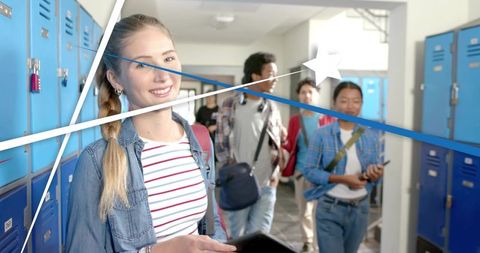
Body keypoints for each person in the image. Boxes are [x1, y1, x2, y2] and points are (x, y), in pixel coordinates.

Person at [65, 14, 235, 253]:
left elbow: (211, 222)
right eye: (143, 64)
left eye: (168, 58)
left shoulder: (198, 141)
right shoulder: (96, 162)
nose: (163, 75)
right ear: (116, 79)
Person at [303, 81, 384, 253]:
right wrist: (341, 179)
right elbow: (309, 171)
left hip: (360, 209)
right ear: (334, 103)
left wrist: (375, 174)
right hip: (330, 208)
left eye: (356, 101)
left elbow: (375, 174)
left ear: (361, 104)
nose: (350, 106)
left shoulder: (370, 135)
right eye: (344, 100)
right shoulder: (321, 135)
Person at [215, 52, 285, 238]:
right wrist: (231, 175)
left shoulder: (272, 106)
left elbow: (275, 142)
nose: (276, 79)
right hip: (239, 184)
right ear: (255, 75)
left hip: (266, 184)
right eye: (271, 74)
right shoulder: (231, 104)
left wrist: (275, 176)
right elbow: (221, 145)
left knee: (259, 239)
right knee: (237, 238)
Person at [282, 78, 335, 252]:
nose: (307, 96)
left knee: (320, 213)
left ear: (318, 95)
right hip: (301, 172)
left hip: (322, 175)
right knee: (304, 211)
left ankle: (321, 245)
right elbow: (290, 145)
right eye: (303, 92)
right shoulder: (295, 121)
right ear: (298, 96)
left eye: (310, 92)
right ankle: (307, 242)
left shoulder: (328, 119)